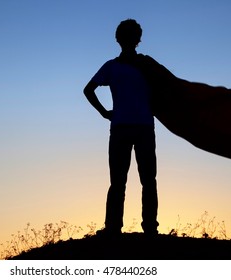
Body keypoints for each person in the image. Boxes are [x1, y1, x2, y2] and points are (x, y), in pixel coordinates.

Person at [83, 19, 159, 237]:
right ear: (138, 39)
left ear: (118, 39)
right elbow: (167, 88)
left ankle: (114, 227)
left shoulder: (114, 67)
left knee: (119, 181)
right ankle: (149, 228)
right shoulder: (146, 65)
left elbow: (88, 90)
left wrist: (104, 112)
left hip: (124, 127)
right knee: (147, 180)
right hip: (141, 127)